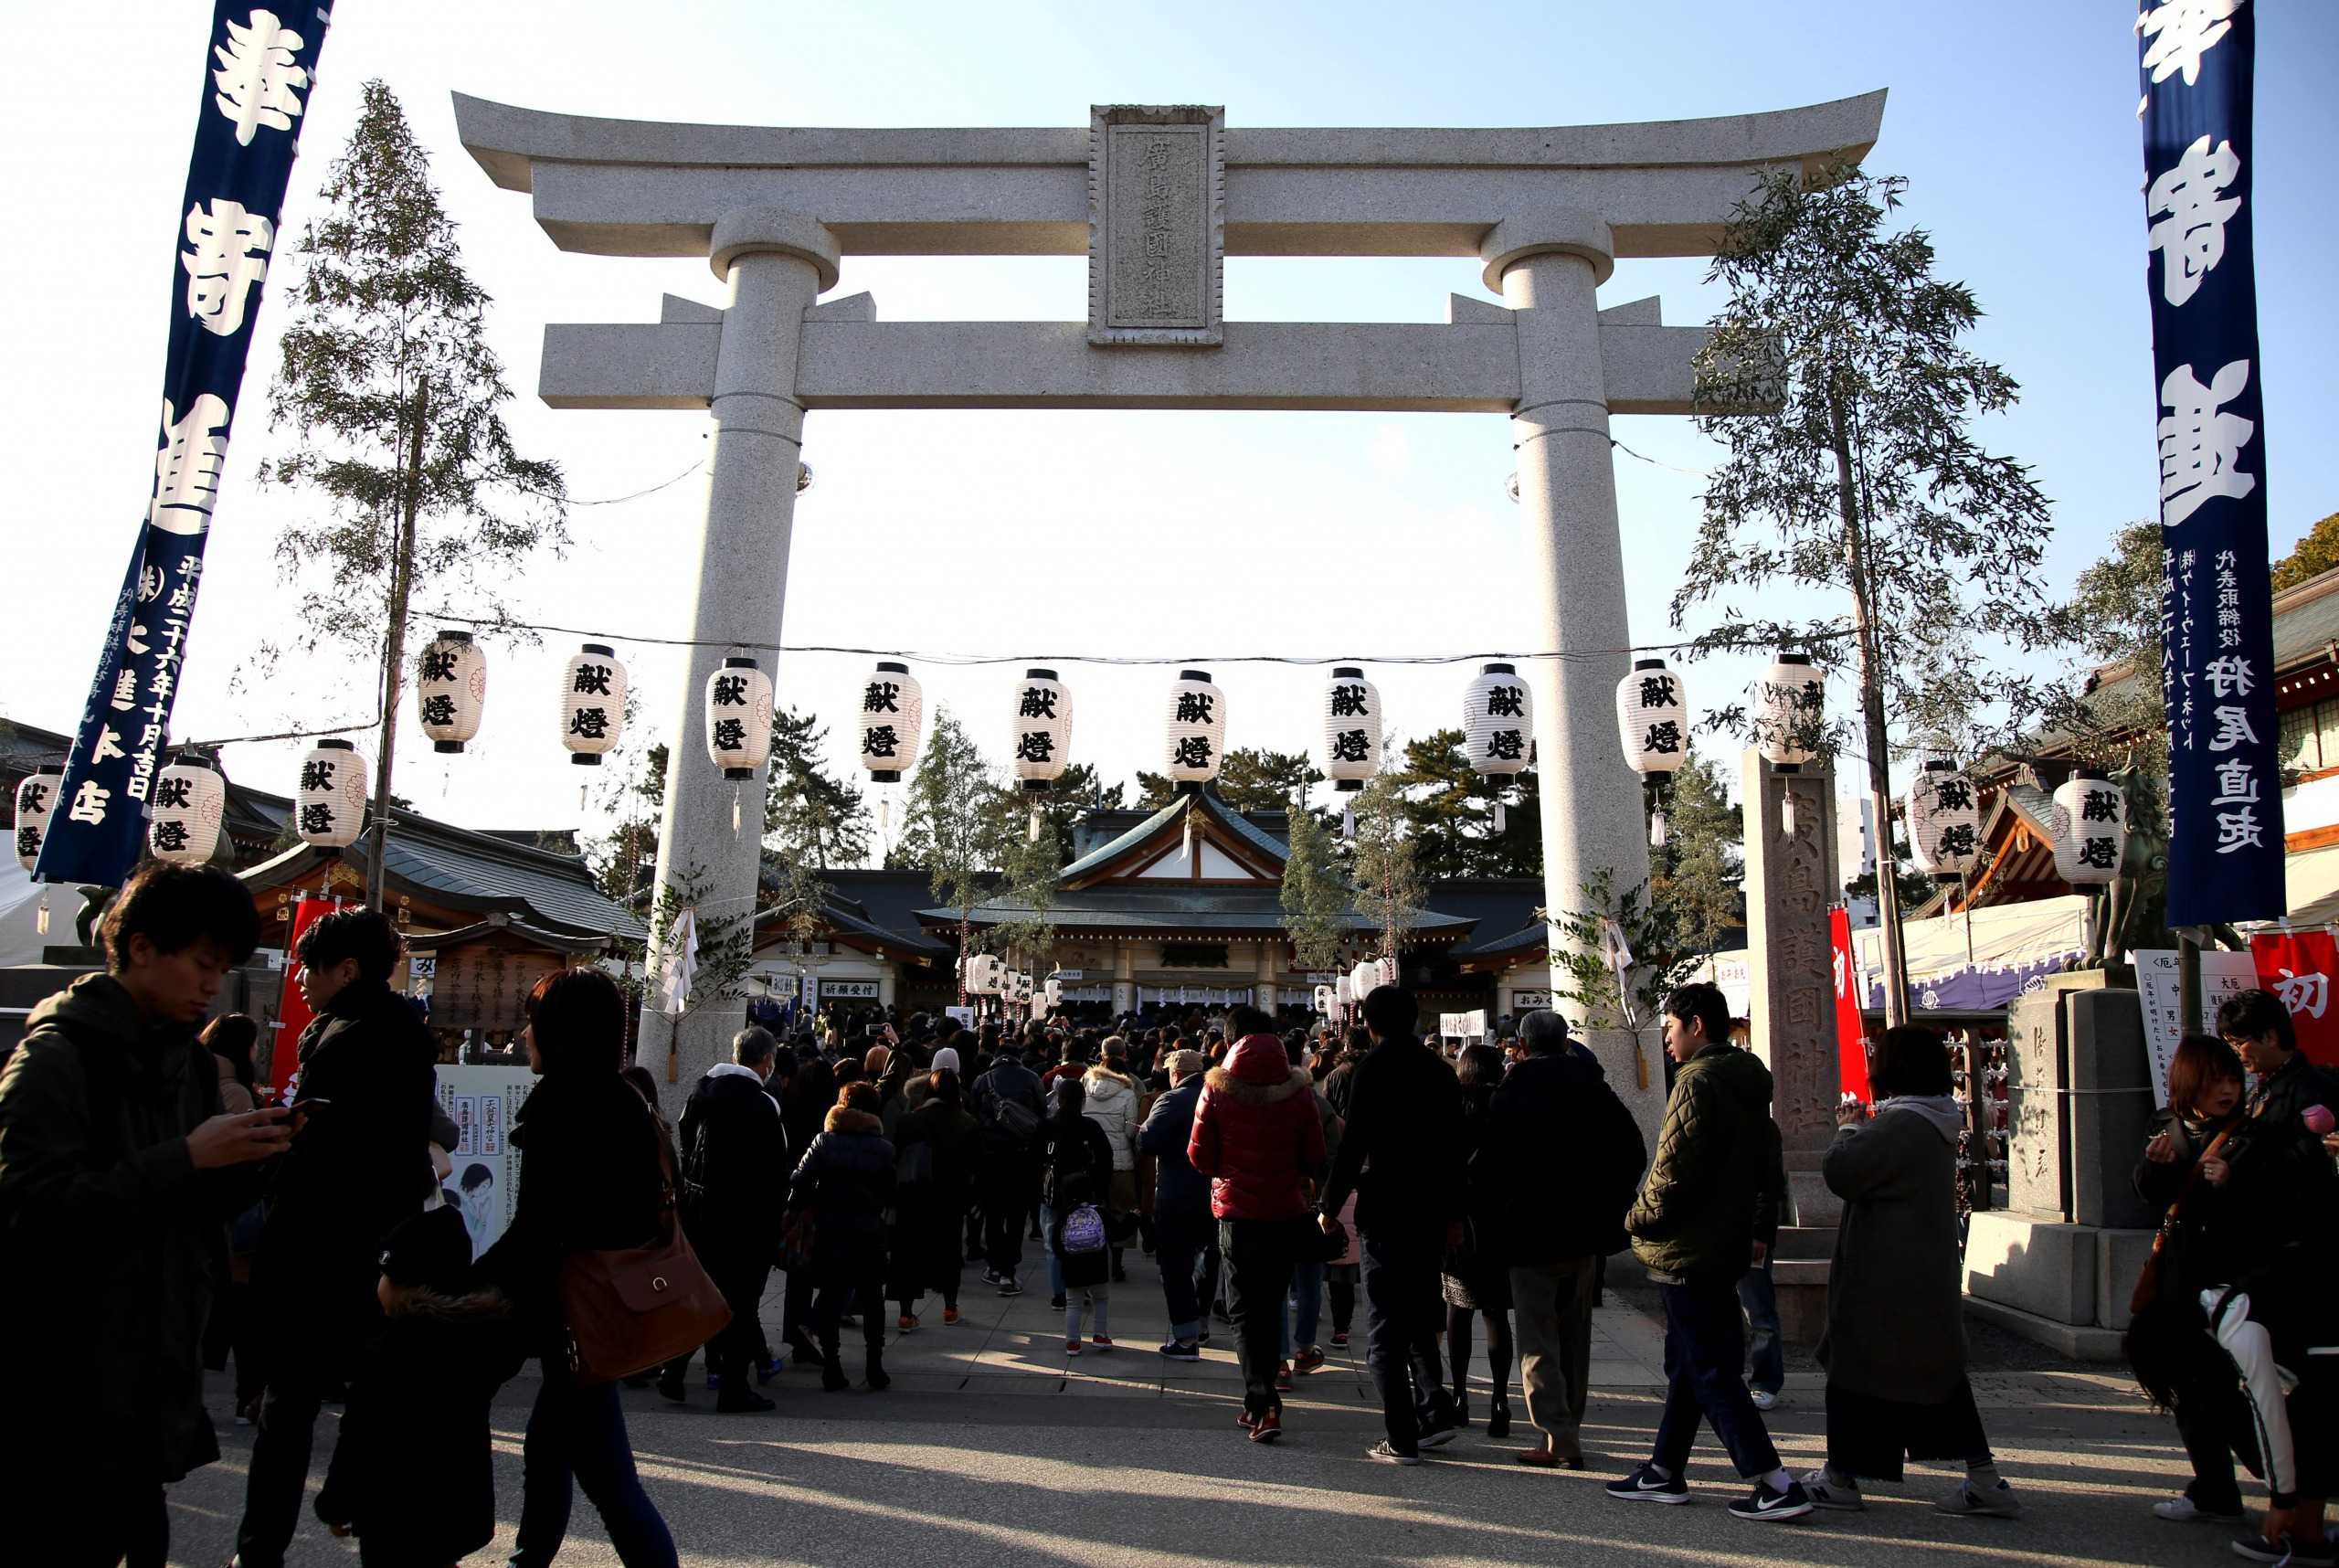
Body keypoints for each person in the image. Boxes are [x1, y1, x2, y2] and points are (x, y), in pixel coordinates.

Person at [0, 863, 286, 1568]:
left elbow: (192, 1211)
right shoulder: (54, 1058)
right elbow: (32, 1213)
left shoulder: (189, 1066)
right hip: (61, 1384)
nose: (213, 985)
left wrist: (256, 1158)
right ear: (141, 947)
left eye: (222, 968)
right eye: (202, 964)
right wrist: (187, 1157)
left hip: (154, 1378)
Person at [236, 906, 440, 1568]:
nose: (299, 979)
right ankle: (365, 1528)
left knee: (289, 1407)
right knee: (368, 1402)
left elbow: (326, 1154)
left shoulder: (348, 1038)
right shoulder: (401, 1031)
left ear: (346, 970)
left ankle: (260, 1549)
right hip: (380, 1244)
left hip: (321, 1245)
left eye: (309, 966)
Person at [478, 969, 681, 1568]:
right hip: (601, 1311)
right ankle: (527, 1561)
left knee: (610, 1484)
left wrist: (459, 1287)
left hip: (573, 1317)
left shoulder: (565, 1106)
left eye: (534, 1023)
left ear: (562, 1033)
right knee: (552, 1452)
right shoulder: (623, 1100)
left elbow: (537, 1230)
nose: (524, 1035)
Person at [1609, 983, 1810, 1520]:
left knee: (1709, 1367)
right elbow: (1769, 1166)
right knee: (1690, 1362)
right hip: (1726, 1241)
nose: (1667, 1040)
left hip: (1689, 1246)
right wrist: (1759, 1226)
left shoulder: (1697, 1082)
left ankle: (1773, 1480)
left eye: (1671, 1028)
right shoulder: (1748, 1082)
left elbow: (1670, 1171)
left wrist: (1633, 1218)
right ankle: (1664, 1469)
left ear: (1696, 1026)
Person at [1800, 1026, 2018, 1520]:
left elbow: (1842, 1171)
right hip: (1919, 1273)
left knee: (1856, 1375)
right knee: (1937, 1380)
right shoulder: (1934, 1118)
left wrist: (1848, 1129)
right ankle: (1984, 1480)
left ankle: (1840, 1476)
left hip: (1884, 1278)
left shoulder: (1902, 1124)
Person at [1486, 1009, 1645, 1469]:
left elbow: (1492, 1165)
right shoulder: (1593, 1087)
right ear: (1565, 1041)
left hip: (1530, 1230)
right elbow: (1633, 1151)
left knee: (1537, 1336)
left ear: (1523, 1045)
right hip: (1584, 1231)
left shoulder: (1512, 1091)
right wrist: (1607, 1203)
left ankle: (1557, 1433)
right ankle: (1568, 1425)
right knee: (1575, 1335)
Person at [336, 1180, 521, 1567]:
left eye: (385, 1275)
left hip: (394, 1515)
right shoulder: (479, 1340)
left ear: (404, 1284)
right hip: (461, 1510)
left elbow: (359, 1434)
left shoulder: (390, 1351)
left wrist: (336, 1502)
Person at [1317, 986, 1464, 1464]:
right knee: (1420, 1314)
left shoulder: (1372, 1069)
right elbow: (1455, 1150)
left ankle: (1401, 1436)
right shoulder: (1440, 1071)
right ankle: (1433, 1412)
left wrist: (1329, 1204)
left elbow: (1355, 1142)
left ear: (1370, 1024)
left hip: (1385, 1206)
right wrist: (1455, 1214)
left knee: (1384, 1326)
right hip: (1430, 1209)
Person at [2128, 1033, 2256, 1526]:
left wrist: (2233, 1183)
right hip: (2178, 1278)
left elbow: (2274, 1200)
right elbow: (2148, 1196)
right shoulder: (2166, 1127)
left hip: (2233, 1277)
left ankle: (2279, 1475)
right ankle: (2218, 1488)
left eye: (2232, 1079)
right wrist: (2154, 1167)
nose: (2227, 1090)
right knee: (2190, 1386)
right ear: (2189, 1084)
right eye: (2214, 1081)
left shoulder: (2251, 1131)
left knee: (2222, 1388)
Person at [1194, 1005, 1328, 1444]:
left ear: (1231, 1041)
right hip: (1285, 1210)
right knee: (1271, 1304)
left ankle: (1262, 1401)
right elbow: (1314, 1155)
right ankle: (1264, 1399)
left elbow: (1199, 1156)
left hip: (1237, 1213)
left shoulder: (1216, 1088)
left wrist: (1229, 1171)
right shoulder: (1299, 1091)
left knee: (1243, 1311)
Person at [657, 1026, 791, 1412]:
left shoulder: (701, 1094)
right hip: (746, 1216)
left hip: (700, 1209)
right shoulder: (763, 1105)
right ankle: (734, 1387)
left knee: (701, 1293)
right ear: (767, 1061)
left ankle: (674, 1369)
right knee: (741, 1302)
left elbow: (685, 1144)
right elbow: (774, 1169)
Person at [788, 1080, 896, 1391]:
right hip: (869, 1232)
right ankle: (874, 1365)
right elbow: (891, 1192)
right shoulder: (884, 1148)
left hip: (830, 1229)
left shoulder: (824, 1142)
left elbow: (799, 1180)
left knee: (832, 1297)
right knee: (872, 1300)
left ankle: (832, 1366)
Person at [198, 1012, 268, 1426]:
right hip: (235, 1210)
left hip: (204, 1209)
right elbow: (246, 1154)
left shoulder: (195, 1078)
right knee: (245, 1308)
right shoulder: (236, 1092)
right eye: (255, 1044)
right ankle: (249, 1394)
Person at [1443, 1041, 1515, 1436]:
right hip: (1501, 1223)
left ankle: (1459, 1396)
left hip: (1462, 1223)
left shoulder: (1455, 1108)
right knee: (1496, 1313)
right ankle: (1501, 1400)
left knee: (1458, 1308)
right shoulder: (1509, 1108)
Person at [892, 1066, 979, 1329]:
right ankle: (950, 1308)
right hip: (950, 1197)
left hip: (913, 1196)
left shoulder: (909, 1121)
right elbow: (975, 1165)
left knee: (909, 1254)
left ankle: (905, 1314)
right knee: (949, 1252)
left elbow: (896, 1158)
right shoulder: (966, 1122)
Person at [1139, 1048, 1213, 1360]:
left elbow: (1147, 1141)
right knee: (1210, 1261)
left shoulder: (1171, 1100)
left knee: (1176, 1267)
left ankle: (1185, 1338)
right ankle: (1203, 1322)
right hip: (1213, 1193)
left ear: (1176, 1074)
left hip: (1176, 1193)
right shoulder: (1218, 1097)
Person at [1042, 1077, 1119, 1349]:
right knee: (1087, 1237)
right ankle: (1086, 1292)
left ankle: (1060, 1293)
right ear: (1083, 1100)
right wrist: (1099, 1187)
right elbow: (1106, 1158)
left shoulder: (1047, 1126)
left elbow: (1035, 1157)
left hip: (1053, 1194)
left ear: (1059, 1099)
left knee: (1054, 1244)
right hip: (1085, 1193)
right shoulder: (1090, 1127)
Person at [970, 1030, 1046, 1296]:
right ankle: (1008, 1269)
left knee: (993, 1214)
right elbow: (1041, 1116)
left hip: (990, 1157)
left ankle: (994, 1264)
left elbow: (974, 1118)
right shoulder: (1032, 1079)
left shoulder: (982, 1080)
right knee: (1016, 1214)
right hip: (1022, 1157)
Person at [1083, 1037, 1143, 1283]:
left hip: (1091, 1160)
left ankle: (1092, 1259)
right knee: (1121, 1211)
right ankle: (1116, 1263)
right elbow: (1130, 1131)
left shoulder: (1085, 1086)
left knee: (1092, 1210)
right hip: (1120, 1161)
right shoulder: (1128, 1093)